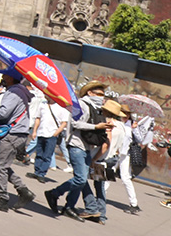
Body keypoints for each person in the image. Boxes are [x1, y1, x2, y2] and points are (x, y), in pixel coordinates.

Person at [44, 81, 114, 222]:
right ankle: (53, 193)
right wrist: (96, 127)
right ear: (90, 93)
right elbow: (75, 123)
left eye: (103, 95)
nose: (102, 97)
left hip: (86, 147)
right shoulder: (81, 104)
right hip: (76, 145)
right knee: (81, 178)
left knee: (81, 181)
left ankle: (69, 206)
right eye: (99, 94)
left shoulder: (96, 107)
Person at [0, 70, 36, 212]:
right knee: (3, 165)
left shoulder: (13, 93)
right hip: (19, 133)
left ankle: (2, 199)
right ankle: (23, 191)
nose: (3, 78)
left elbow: (3, 113)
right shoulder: (20, 91)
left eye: (5, 75)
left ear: (11, 78)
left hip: (14, 133)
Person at [101, 100, 140, 215]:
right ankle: (102, 195)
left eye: (127, 113)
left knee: (124, 178)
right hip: (119, 153)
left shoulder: (127, 126)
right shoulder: (120, 125)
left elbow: (138, 139)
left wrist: (135, 129)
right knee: (110, 174)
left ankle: (134, 203)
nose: (125, 115)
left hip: (123, 154)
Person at [27, 88, 69, 183]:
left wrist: (56, 132)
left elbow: (64, 122)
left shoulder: (61, 107)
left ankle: (42, 173)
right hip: (41, 132)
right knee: (39, 153)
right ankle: (37, 171)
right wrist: (34, 131)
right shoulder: (43, 105)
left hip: (52, 134)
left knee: (47, 155)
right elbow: (38, 118)